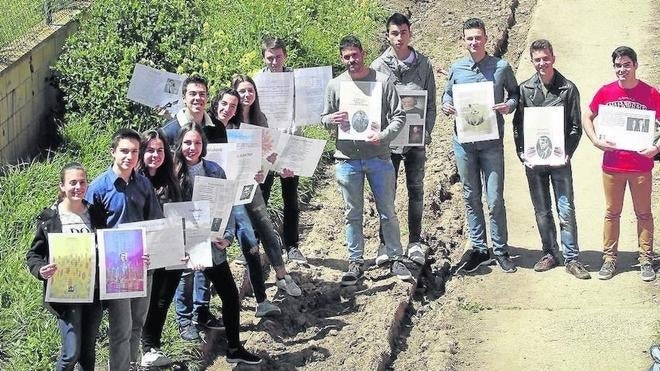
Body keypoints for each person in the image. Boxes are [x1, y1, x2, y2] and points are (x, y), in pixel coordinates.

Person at [321, 35, 411, 285]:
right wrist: (332, 120)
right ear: (342, 58)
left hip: (379, 157)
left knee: (388, 211)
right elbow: (324, 118)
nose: (352, 60)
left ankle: (395, 257)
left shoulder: (382, 82)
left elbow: (399, 116)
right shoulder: (336, 86)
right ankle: (355, 261)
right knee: (352, 213)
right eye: (347, 57)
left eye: (355, 55)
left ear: (363, 53)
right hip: (347, 159)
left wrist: (382, 136)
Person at [173, 122, 261, 364]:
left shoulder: (215, 170)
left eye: (197, 143)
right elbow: (169, 213)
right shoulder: (172, 174)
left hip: (213, 246)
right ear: (180, 145)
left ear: (204, 146)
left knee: (231, 296)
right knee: (185, 282)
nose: (192, 148)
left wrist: (228, 236)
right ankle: (184, 323)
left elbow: (227, 207)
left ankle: (234, 348)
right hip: (185, 246)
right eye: (188, 143)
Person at [441, 18, 519, 273]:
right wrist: (446, 105)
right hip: (464, 143)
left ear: (486, 38)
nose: (473, 42)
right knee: (470, 195)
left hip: (491, 143)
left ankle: (500, 249)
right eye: (469, 38)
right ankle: (478, 248)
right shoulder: (457, 68)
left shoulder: (501, 67)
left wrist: (509, 106)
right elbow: (448, 94)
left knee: (494, 198)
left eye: (477, 37)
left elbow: (515, 94)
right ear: (463, 41)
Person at [511, 39, 590, 279]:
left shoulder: (568, 89)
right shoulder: (525, 89)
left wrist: (568, 151)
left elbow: (576, 126)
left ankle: (572, 257)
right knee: (542, 210)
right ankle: (549, 252)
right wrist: (523, 153)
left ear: (553, 58)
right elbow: (518, 126)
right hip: (535, 163)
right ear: (532, 61)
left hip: (559, 161)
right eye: (537, 59)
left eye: (546, 58)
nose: (542, 63)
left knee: (565, 209)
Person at [85, 128, 163, 370]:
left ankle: (130, 365)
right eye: (124, 151)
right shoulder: (98, 188)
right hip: (116, 267)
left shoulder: (143, 185)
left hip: (144, 265)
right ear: (113, 152)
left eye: (134, 152)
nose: (129, 156)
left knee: (138, 323)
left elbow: (155, 222)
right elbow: (91, 232)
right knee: (121, 328)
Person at [582, 46, 660, 282]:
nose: (622, 69)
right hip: (613, 166)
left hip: (640, 166)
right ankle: (609, 259)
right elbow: (587, 115)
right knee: (611, 213)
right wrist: (595, 140)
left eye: (626, 64)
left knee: (644, 213)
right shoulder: (606, 92)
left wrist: (656, 148)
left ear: (635, 65)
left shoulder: (651, 93)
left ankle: (646, 259)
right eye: (618, 65)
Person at [208, 88, 282, 317]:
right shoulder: (205, 128)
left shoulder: (239, 131)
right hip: (211, 195)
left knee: (249, 239)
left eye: (232, 106)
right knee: (209, 246)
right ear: (216, 103)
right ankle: (203, 308)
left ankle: (261, 300)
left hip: (237, 193)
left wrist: (259, 170)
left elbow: (255, 162)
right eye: (224, 104)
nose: (227, 109)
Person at [370, 12, 437, 266]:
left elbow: (430, 104)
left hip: (415, 141)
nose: (399, 38)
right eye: (394, 33)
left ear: (410, 32)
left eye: (403, 32)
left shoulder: (424, 65)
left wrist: (426, 132)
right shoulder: (378, 67)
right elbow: (373, 107)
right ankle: (385, 243)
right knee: (386, 193)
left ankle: (415, 242)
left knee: (416, 191)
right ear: (388, 35)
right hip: (388, 143)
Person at [26, 162, 106, 371]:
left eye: (82, 182)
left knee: (88, 353)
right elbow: (34, 254)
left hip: (94, 292)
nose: (78, 187)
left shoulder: (95, 214)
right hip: (65, 294)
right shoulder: (50, 218)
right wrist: (41, 270)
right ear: (62, 186)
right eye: (72, 183)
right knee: (70, 353)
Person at [162, 75, 224, 340]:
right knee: (185, 269)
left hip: (205, 208)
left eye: (202, 94)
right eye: (192, 94)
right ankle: (184, 320)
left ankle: (202, 311)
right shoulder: (169, 130)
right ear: (184, 97)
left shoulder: (214, 127)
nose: (197, 98)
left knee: (204, 264)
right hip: (179, 210)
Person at [252, 38, 308, 265]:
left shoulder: (296, 80)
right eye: (270, 57)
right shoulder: (257, 80)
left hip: (291, 143)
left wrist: (294, 130)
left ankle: (292, 246)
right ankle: (254, 244)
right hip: (264, 146)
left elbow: (303, 109)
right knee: (260, 197)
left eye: (278, 56)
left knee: (290, 198)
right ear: (263, 58)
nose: (274, 61)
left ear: (285, 55)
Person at [138, 129, 185, 367]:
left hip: (170, 249)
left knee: (163, 300)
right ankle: (143, 347)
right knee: (147, 299)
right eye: (150, 150)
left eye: (160, 151)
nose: (155, 155)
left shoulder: (171, 180)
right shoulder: (135, 181)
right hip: (145, 252)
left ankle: (152, 346)